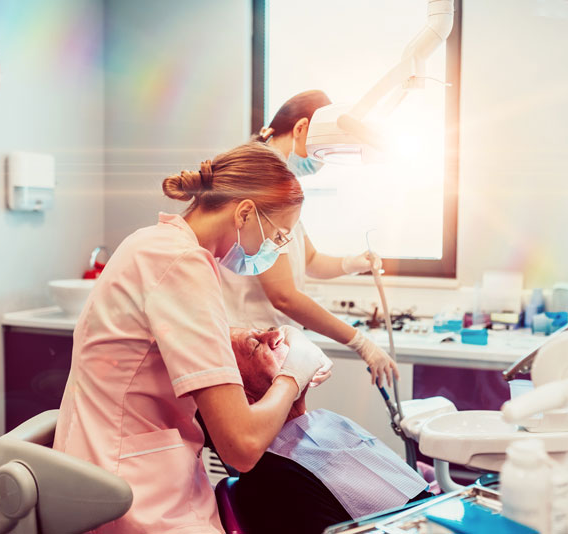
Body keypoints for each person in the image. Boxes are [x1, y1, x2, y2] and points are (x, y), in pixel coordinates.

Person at [52, 143, 330, 533]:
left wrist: (246, 338)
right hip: (130, 493)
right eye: (279, 236)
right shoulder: (183, 263)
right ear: (245, 212)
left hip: (108, 463)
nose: (274, 249)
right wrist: (295, 371)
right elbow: (241, 447)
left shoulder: (152, 242)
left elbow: (148, 345)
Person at [221, 90, 400, 388]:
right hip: (251, 347)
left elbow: (310, 261)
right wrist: (360, 342)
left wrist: (352, 263)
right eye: (321, 149)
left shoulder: (283, 190)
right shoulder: (264, 184)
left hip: (272, 347)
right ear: (301, 128)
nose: (322, 161)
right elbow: (284, 295)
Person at [225, 327, 433, 534]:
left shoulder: (322, 421)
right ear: (245, 398)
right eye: (255, 345)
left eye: (267, 329)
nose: (276, 336)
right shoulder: (272, 477)